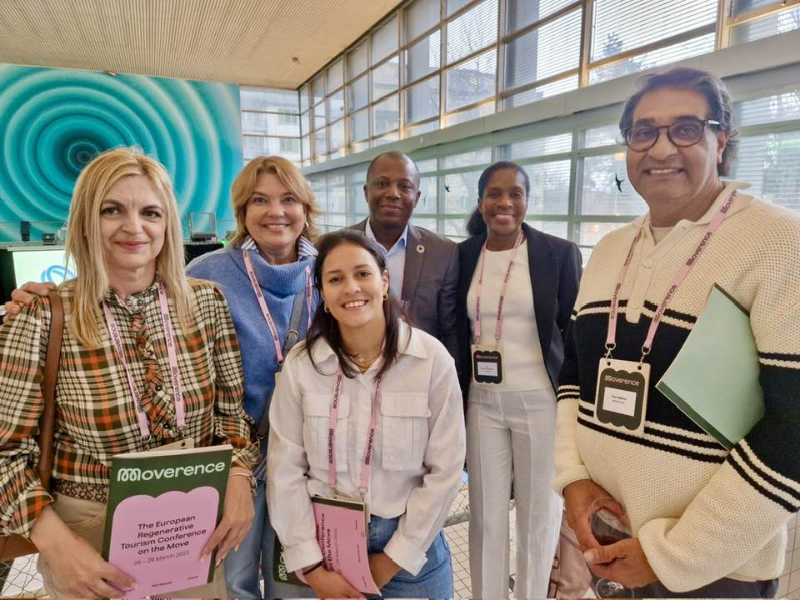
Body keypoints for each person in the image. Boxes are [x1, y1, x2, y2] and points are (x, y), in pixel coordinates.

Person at [4, 154, 321, 600]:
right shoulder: (42, 315)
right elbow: (7, 453)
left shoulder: (206, 302)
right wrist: (57, 546)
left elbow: (230, 417)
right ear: (85, 220)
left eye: (150, 212)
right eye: (112, 209)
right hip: (87, 537)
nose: (134, 227)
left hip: (194, 525)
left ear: (168, 223)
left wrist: (236, 476)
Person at [555, 66, 800, 598]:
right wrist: (572, 478)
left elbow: (794, 430)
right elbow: (574, 376)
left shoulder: (780, 242)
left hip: (715, 568)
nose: (661, 148)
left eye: (686, 129)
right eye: (644, 132)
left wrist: (672, 555)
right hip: (607, 536)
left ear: (722, 141)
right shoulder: (609, 250)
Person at [267, 230, 466, 599]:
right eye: (335, 279)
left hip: (410, 551)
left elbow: (447, 469)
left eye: (362, 274)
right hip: (325, 549)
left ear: (384, 282)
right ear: (323, 295)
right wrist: (311, 565)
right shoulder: (303, 364)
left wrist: (393, 559)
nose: (351, 288)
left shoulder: (430, 360)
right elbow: (285, 467)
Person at [456, 161, 582, 599]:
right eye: (494, 193)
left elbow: (575, 334)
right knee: (485, 516)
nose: (504, 202)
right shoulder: (464, 255)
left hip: (540, 401)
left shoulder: (558, 253)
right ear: (480, 202)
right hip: (482, 401)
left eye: (515, 193)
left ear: (527, 200)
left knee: (539, 514)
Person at [349, 151, 459, 359]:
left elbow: (450, 331)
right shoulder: (335, 248)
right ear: (366, 192)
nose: (393, 193)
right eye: (382, 184)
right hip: (351, 367)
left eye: (405, 186)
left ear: (417, 197)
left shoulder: (443, 252)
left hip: (420, 369)